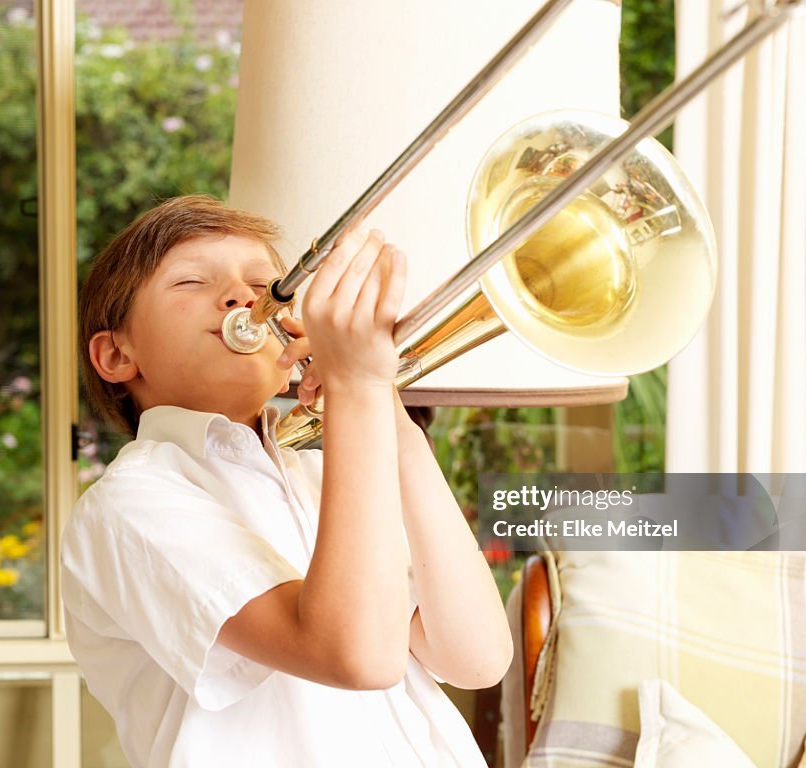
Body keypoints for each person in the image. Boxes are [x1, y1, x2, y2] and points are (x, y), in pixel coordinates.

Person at [61, 195, 513, 767]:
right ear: (117, 355)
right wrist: (355, 392)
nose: (242, 297)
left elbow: (475, 660)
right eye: (192, 282)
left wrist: (390, 415)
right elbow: (356, 657)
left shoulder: (330, 474)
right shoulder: (129, 505)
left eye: (262, 282)